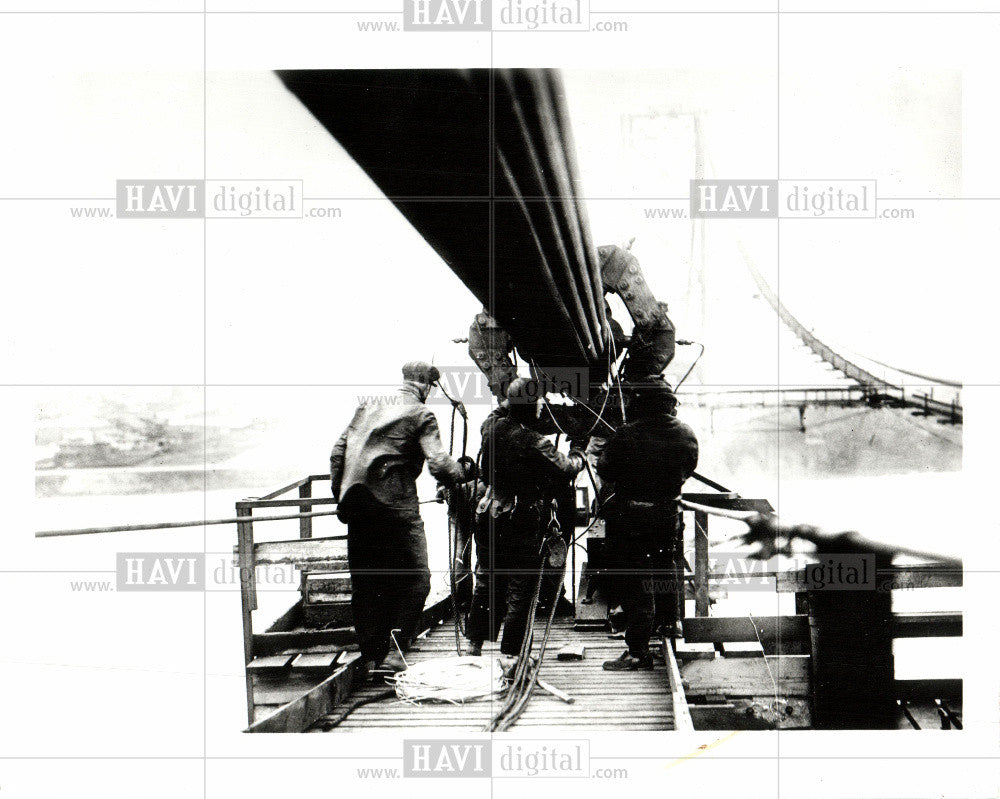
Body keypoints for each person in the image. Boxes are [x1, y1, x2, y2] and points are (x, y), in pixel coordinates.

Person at [330, 361, 466, 675]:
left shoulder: (370, 404)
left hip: (358, 505)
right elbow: (438, 464)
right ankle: (394, 654)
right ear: (428, 387)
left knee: (366, 583)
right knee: (417, 581)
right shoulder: (422, 414)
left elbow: (338, 452)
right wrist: (462, 471)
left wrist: (341, 494)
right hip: (396, 508)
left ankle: (370, 656)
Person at [465, 378, 586, 664]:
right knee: (521, 585)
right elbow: (567, 468)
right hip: (521, 518)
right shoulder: (535, 441)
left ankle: (474, 645)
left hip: (489, 511)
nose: (544, 405)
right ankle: (512, 654)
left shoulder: (491, 428)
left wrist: (515, 396)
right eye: (540, 401)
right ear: (532, 406)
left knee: (487, 579)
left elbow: (497, 413)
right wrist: (579, 449)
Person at [597, 378, 698, 671]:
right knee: (666, 566)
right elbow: (688, 467)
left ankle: (638, 651)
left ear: (640, 403)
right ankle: (671, 624)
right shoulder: (686, 434)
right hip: (667, 515)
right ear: (671, 405)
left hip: (632, 518)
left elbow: (606, 469)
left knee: (635, 581)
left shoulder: (627, 435)